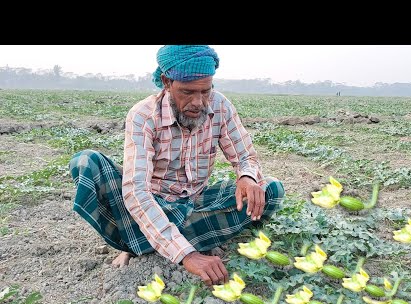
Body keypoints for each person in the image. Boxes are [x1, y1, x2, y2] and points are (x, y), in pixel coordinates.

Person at [69, 45, 285, 286]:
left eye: (206, 91)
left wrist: (247, 177)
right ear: (166, 82)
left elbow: (246, 157)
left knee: (270, 191)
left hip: (194, 204)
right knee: (86, 162)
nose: (199, 102)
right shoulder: (143, 115)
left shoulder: (220, 106)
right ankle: (180, 241)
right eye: (187, 92)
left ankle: (140, 241)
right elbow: (137, 192)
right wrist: (188, 255)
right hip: (154, 203)